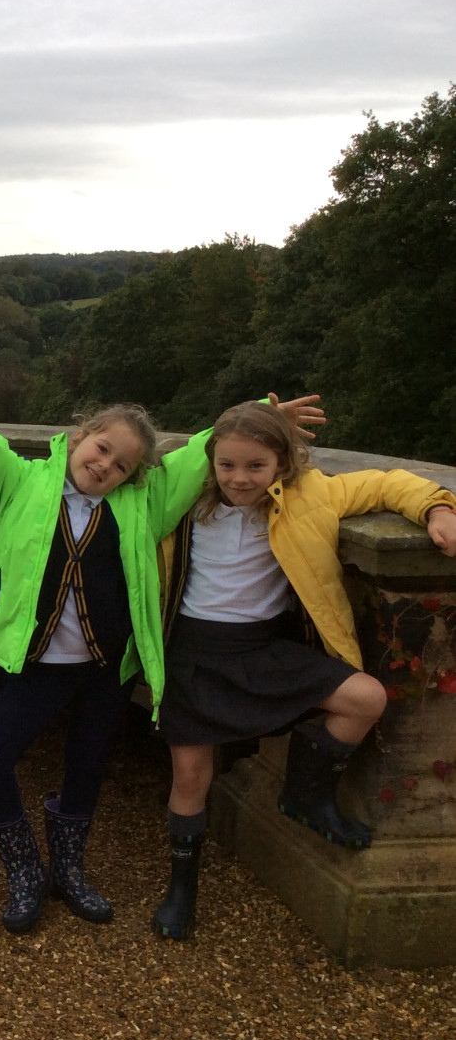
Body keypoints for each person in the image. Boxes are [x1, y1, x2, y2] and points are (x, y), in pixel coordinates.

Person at [0, 327, 323, 932]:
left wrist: (264, 420)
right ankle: (25, 871)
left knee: (86, 767)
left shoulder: (145, 503)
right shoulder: (15, 482)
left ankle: (68, 870)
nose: (106, 465)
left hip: (105, 668)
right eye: (102, 448)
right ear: (79, 436)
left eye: (122, 464)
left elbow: (203, 452)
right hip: (36, 663)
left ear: (134, 475)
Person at [151, 400, 456, 939]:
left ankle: (306, 792)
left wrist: (438, 508)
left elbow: (387, 485)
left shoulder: (313, 494)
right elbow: (156, 466)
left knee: (365, 698)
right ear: (210, 461)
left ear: (282, 463)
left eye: (256, 466)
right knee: (191, 777)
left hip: (264, 649)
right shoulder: (181, 501)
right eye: (227, 465)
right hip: (193, 655)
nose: (239, 478)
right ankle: (181, 887)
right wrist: (244, 412)